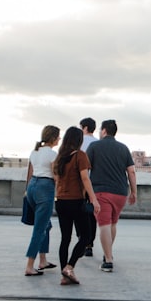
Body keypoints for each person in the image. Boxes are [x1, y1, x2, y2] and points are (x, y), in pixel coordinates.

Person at [85, 119, 137, 272]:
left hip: (101, 192)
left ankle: (108, 260)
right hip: (120, 192)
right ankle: (108, 253)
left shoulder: (94, 146)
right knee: (113, 224)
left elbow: (85, 170)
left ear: (104, 131)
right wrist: (134, 192)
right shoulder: (123, 148)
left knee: (104, 225)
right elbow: (131, 172)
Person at [53, 126, 101, 285]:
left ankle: (64, 274)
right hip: (76, 201)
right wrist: (94, 199)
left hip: (60, 201)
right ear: (79, 140)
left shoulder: (59, 157)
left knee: (65, 238)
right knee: (86, 236)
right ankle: (70, 266)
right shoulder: (80, 156)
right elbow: (85, 179)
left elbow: (56, 179)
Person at [24, 125, 60, 277]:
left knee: (46, 225)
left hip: (32, 187)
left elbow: (30, 173)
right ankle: (30, 266)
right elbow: (56, 175)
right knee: (39, 228)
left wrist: (27, 191)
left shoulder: (34, 152)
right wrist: (58, 193)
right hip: (45, 187)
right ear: (53, 138)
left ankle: (43, 260)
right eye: (58, 136)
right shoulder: (53, 154)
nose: (59, 139)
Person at [79, 117, 98, 258]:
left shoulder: (79, 142)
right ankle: (89, 244)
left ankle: (81, 239)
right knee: (92, 214)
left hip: (79, 183)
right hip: (94, 183)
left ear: (84, 128)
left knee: (78, 213)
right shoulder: (98, 143)